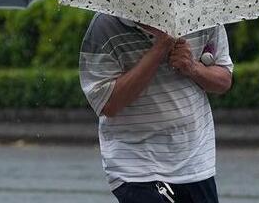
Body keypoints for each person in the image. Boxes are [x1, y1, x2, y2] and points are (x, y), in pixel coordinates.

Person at [79, 14, 233, 203]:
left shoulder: (203, 12)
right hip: (135, 166)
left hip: (195, 161)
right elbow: (107, 104)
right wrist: (159, 49)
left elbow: (224, 81)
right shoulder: (105, 25)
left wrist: (192, 67)